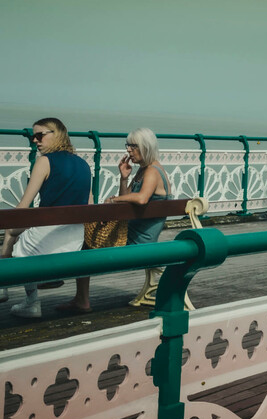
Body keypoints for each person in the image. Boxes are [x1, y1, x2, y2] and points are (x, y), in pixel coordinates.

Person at [57, 128, 171, 314]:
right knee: (85, 240)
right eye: (128, 146)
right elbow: (128, 202)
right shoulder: (144, 170)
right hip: (130, 234)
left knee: (85, 245)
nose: (128, 151)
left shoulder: (152, 171)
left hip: (138, 242)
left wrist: (113, 200)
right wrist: (124, 178)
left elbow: (141, 198)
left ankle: (80, 299)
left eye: (133, 146)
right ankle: (80, 298)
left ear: (145, 147)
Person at [1, 118, 91, 317]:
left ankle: (25, 298)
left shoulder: (44, 161)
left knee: (11, 231)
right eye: (33, 136)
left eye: (39, 135)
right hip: (75, 239)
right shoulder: (84, 164)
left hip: (45, 239)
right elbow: (90, 206)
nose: (34, 140)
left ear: (56, 134)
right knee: (17, 232)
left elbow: (23, 207)